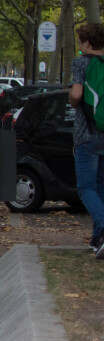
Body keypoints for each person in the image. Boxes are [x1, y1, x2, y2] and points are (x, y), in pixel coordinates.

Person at [68, 22, 104, 257]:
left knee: (86, 187)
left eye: (81, 41)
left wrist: (72, 99)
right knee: (100, 187)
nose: (80, 45)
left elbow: (77, 95)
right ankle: (97, 239)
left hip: (87, 134)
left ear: (88, 43)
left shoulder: (81, 62)